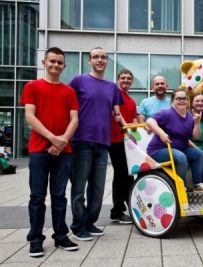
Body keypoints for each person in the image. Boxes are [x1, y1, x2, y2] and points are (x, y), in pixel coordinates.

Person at [20, 47, 79, 257]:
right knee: (37, 196)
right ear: (44, 62)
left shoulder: (69, 91)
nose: (55, 65)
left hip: (64, 151)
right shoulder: (32, 86)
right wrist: (53, 138)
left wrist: (62, 141)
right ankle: (35, 239)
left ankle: (61, 236)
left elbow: (74, 119)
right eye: (52, 61)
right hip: (39, 150)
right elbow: (29, 116)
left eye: (59, 62)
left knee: (59, 196)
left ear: (64, 66)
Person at [69, 47, 125, 241]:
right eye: (96, 57)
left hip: (103, 143)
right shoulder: (78, 81)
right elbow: (68, 106)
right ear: (89, 60)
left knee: (98, 187)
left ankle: (90, 222)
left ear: (107, 61)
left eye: (103, 57)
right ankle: (77, 226)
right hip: (82, 140)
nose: (100, 60)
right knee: (79, 187)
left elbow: (116, 113)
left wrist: (130, 128)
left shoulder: (112, 87)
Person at [146, 88, 203, 192]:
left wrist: (196, 123)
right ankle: (182, 187)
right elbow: (149, 121)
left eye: (184, 98)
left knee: (198, 154)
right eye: (178, 98)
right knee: (181, 157)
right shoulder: (167, 113)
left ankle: (197, 184)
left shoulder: (190, 116)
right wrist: (161, 133)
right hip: (158, 150)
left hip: (179, 149)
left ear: (188, 101)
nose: (182, 101)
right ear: (173, 100)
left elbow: (196, 136)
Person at [109, 69, 138, 224]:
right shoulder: (114, 94)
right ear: (118, 79)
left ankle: (130, 206)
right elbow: (116, 116)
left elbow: (132, 118)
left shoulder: (131, 101)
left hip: (128, 142)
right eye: (123, 78)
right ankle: (117, 211)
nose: (126, 80)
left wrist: (137, 127)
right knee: (120, 175)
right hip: (115, 140)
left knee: (128, 175)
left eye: (128, 78)